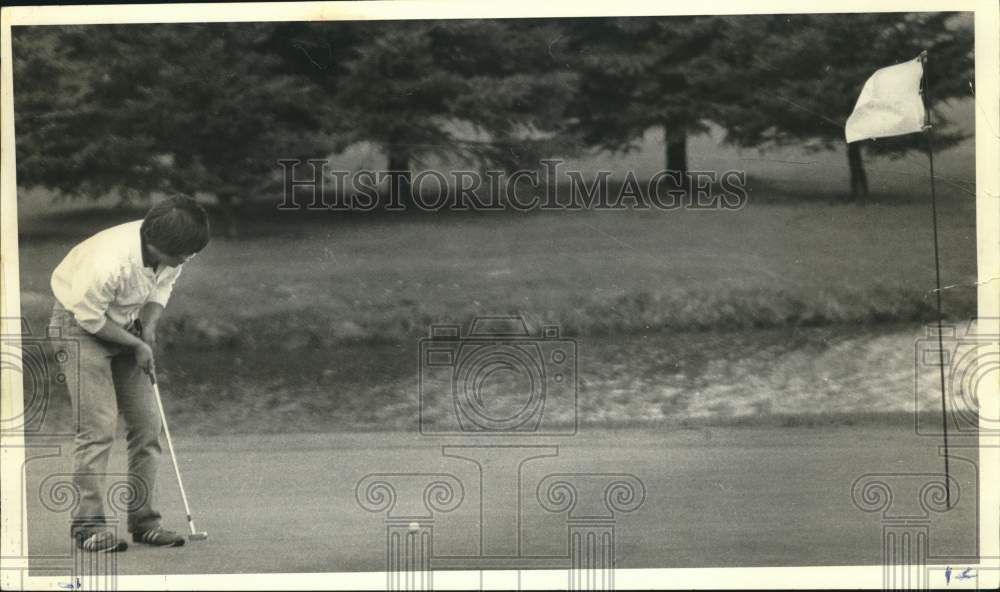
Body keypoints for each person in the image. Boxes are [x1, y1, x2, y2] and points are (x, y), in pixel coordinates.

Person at [49, 195, 210, 552]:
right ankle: (88, 527)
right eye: (183, 253)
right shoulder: (109, 262)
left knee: (147, 426)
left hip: (125, 324)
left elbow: (163, 284)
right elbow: (88, 319)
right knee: (98, 428)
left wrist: (148, 326)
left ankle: (144, 523)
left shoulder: (173, 249)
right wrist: (137, 345)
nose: (187, 259)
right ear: (158, 245)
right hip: (76, 328)